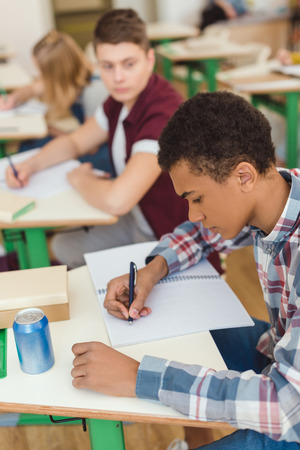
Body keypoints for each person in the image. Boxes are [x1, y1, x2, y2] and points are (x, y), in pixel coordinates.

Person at [71, 91, 300, 449]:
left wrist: (137, 378)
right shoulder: (275, 192)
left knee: (150, 369)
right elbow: (199, 235)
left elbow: (286, 406)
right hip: (279, 353)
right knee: (175, 336)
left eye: (197, 198)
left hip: (292, 408)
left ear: (244, 176)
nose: (193, 214)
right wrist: (153, 270)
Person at [5, 9, 190, 270]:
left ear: (149, 60)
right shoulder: (119, 100)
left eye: (128, 64)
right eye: (107, 66)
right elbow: (75, 142)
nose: (117, 77)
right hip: (137, 217)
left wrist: (81, 178)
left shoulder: (162, 113)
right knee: (62, 246)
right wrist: (31, 165)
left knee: (79, 263)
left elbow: (118, 200)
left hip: (168, 235)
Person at [0, 30, 111, 171]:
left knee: (35, 148)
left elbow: (90, 146)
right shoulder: (73, 77)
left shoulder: (93, 91)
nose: (40, 77)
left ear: (57, 73)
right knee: (30, 144)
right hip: (84, 139)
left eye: (43, 73)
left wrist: (51, 130)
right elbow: (33, 89)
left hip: (102, 152)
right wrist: (13, 98)